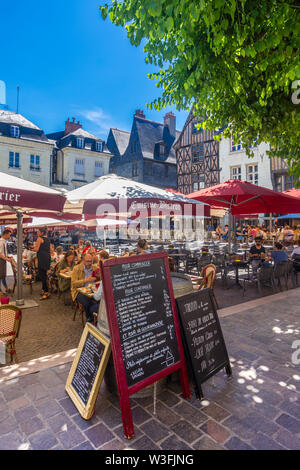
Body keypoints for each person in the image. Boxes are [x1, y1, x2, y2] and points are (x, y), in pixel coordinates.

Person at [71, 253, 98, 322]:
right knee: (88, 301)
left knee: (100, 299)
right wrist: (86, 280)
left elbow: (99, 279)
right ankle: (90, 318)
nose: (89, 263)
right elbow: (74, 284)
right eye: (87, 261)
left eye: (91, 261)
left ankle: (92, 318)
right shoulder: (76, 268)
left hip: (93, 290)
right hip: (79, 291)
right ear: (83, 260)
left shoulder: (95, 268)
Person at [34, 227, 51, 300]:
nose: (37, 233)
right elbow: (49, 249)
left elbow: (36, 249)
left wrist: (34, 247)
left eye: (38, 232)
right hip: (47, 257)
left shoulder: (39, 238)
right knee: (44, 274)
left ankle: (47, 292)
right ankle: (43, 290)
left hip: (42, 258)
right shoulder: (47, 239)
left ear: (41, 232)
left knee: (42, 275)